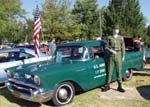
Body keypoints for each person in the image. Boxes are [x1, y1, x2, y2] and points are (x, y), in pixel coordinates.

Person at [104, 24, 125, 92]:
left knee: (119, 70)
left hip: (118, 55)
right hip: (111, 55)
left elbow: (123, 47)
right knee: (109, 70)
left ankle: (119, 86)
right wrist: (112, 51)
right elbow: (106, 47)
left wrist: (123, 56)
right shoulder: (109, 37)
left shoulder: (121, 38)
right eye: (116, 29)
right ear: (113, 30)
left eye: (118, 29)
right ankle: (108, 85)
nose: (117, 30)